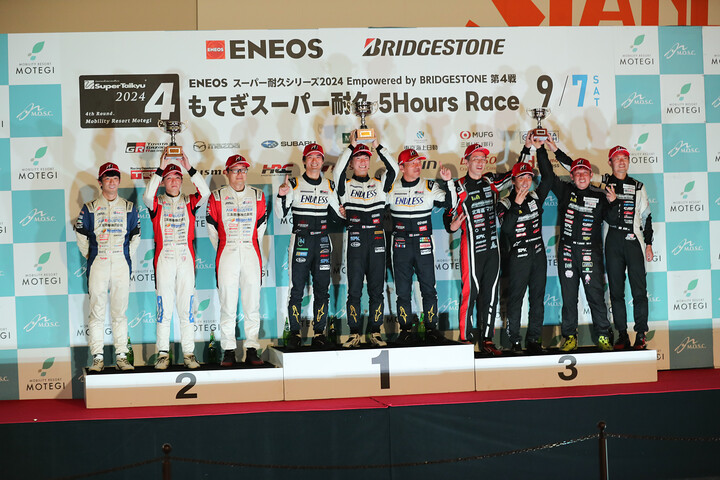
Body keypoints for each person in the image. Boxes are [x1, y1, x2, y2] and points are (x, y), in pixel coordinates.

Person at [539, 138, 619, 351]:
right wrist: (541, 149)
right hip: (567, 252)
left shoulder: (601, 195)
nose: (581, 176)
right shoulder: (565, 190)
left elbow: (613, 220)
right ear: (572, 176)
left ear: (591, 176)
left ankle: (603, 335)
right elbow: (548, 173)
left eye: (585, 173)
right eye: (577, 173)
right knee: (569, 298)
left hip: (590, 254)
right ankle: (569, 337)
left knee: (596, 297)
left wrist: (613, 203)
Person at [143, 151, 210, 370]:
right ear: (163, 182)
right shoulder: (157, 203)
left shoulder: (190, 202)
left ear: (182, 181)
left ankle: (189, 353)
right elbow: (147, 196)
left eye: (177, 178)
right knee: (164, 310)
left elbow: (206, 192)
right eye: (169, 178)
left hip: (185, 260)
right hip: (164, 260)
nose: (173, 181)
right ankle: (163, 354)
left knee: (187, 310)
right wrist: (160, 168)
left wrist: (189, 168)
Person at [444, 144, 512, 355]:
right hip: (472, 247)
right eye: (476, 159)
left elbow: (514, 175)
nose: (480, 162)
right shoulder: (458, 186)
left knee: (491, 294)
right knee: (470, 293)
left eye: (483, 159)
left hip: (492, 247)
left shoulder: (491, 181)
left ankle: (487, 339)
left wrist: (527, 148)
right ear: (466, 162)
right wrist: (452, 226)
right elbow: (448, 215)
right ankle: (466, 338)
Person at [334, 131, 399, 348]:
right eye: (358, 158)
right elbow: (337, 172)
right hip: (355, 240)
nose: (362, 162)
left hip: (377, 239)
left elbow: (394, 169)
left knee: (376, 290)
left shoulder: (380, 184)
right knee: (354, 290)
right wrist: (351, 147)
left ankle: (375, 332)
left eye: (365, 158)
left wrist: (378, 147)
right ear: (351, 163)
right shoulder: (345, 186)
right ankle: (354, 333)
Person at [75, 162, 141, 372]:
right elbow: (81, 235)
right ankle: (97, 357)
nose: (111, 182)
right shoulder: (90, 207)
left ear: (119, 182)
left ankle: (122, 356)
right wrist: (90, 254)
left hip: (121, 263)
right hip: (99, 261)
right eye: (107, 178)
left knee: (120, 313)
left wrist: (125, 256)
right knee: (97, 312)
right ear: (100, 182)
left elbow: (135, 236)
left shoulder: (129, 207)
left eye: (115, 178)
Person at [276, 143, 342, 349]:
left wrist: (344, 212)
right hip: (301, 241)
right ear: (304, 161)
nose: (314, 161)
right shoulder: (294, 184)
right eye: (310, 157)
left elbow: (338, 216)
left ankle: (319, 333)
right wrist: (281, 195)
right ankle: (295, 333)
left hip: (322, 242)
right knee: (296, 289)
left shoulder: (329, 185)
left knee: (322, 289)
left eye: (318, 157)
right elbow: (280, 213)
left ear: (322, 162)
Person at [387, 148, 454, 345]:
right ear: (401, 167)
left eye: (419, 163)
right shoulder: (391, 188)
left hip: (424, 242)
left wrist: (449, 182)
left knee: (428, 288)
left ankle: (432, 328)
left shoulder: (429, 185)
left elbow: (450, 202)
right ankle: (405, 330)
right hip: (400, 243)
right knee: (402, 290)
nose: (417, 166)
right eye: (412, 163)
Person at [206, 154, 268, 366]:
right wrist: (228, 246)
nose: (240, 174)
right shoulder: (216, 196)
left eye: (243, 170)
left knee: (252, 304)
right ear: (227, 173)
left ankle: (252, 348)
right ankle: (229, 350)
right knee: (227, 304)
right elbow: (212, 230)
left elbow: (261, 228)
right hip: (227, 251)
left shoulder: (258, 195)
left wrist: (247, 245)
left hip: (251, 250)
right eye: (235, 170)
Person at [603, 146, 653, 350]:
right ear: (610, 162)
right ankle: (622, 334)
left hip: (634, 242)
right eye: (617, 158)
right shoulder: (603, 184)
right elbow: (604, 215)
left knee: (639, 291)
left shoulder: (638, 186)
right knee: (616, 292)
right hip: (612, 241)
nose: (622, 161)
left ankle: (641, 334)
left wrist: (648, 244)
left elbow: (647, 216)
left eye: (625, 158)